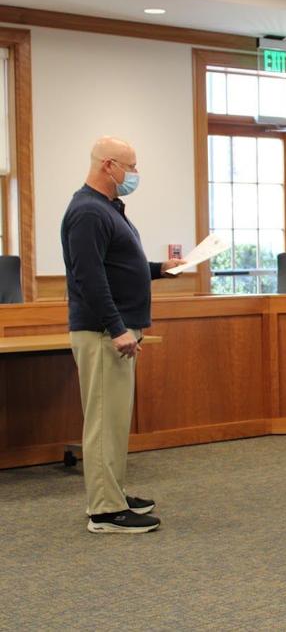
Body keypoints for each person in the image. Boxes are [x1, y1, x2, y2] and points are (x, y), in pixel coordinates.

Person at [61, 136, 185, 533]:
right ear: (108, 166)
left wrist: (159, 269)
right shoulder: (87, 212)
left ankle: (111, 492)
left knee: (113, 420)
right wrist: (116, 328)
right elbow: (89, 277)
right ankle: (104, 511)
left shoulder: (107, 209)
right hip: (102, 332)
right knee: (102, 420)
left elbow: (117, 264)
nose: (135, 174)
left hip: (112, 329)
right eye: (131, 167)